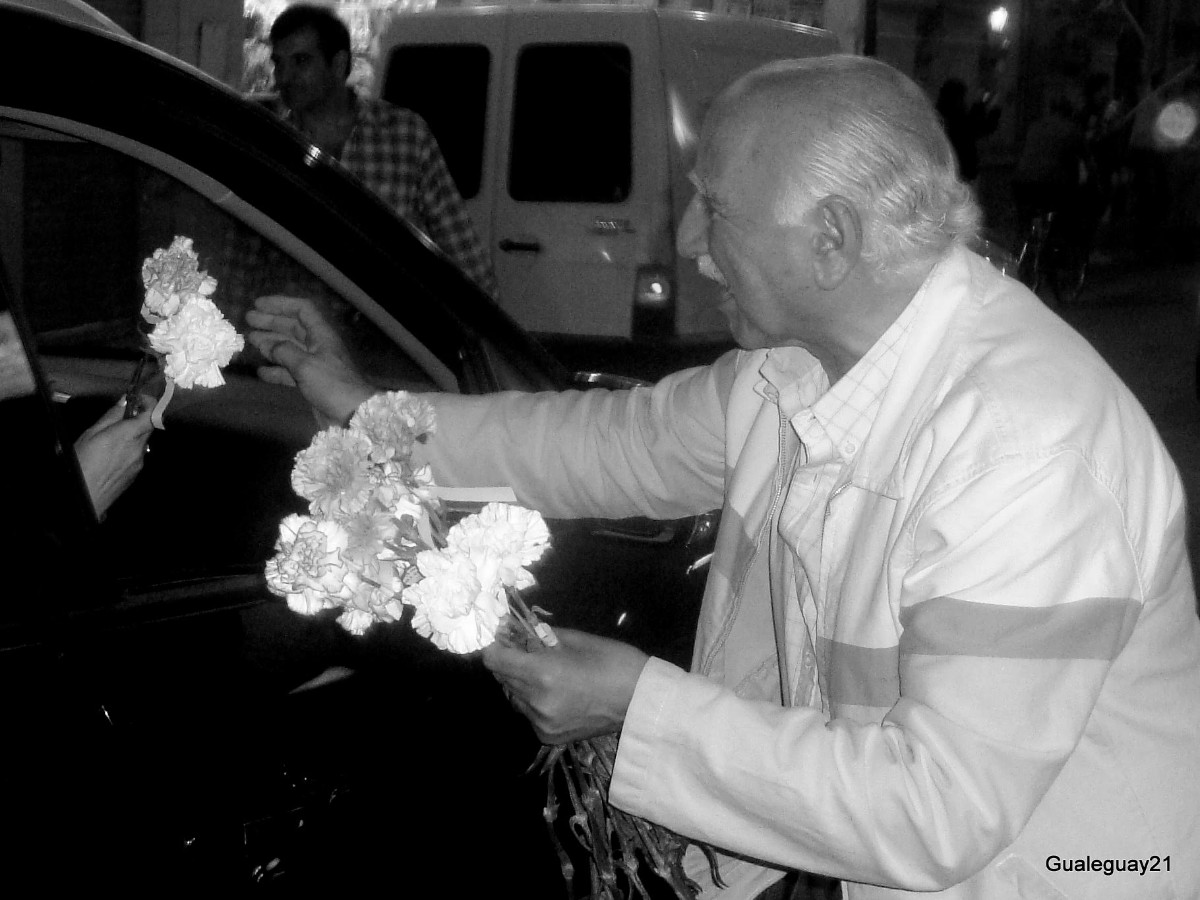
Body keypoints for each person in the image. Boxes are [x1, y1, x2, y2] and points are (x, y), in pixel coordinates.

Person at [245, 55, 1200, 900]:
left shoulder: (1025, 450)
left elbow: (938, 808)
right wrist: (365, 414)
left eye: (719, 208)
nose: (693, 240)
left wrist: (635, 703)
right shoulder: (795, 370)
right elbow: (600, 444)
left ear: (831, 238)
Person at [265, 3, 499, 299]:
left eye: (300, 61)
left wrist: (484, 319)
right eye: (279, 63)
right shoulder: (274, 144)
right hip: (296, 319)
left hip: (388, 319)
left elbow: (459, 245)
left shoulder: (403, 136)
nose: (284, 77)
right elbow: (248, 250)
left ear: (338, 64)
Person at [934, 77, 1000, 183]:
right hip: (963, 171)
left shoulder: (940, 118)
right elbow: (979, 127)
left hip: (948, 171)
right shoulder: (958, 120)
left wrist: (981, 104)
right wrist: (991, 107)